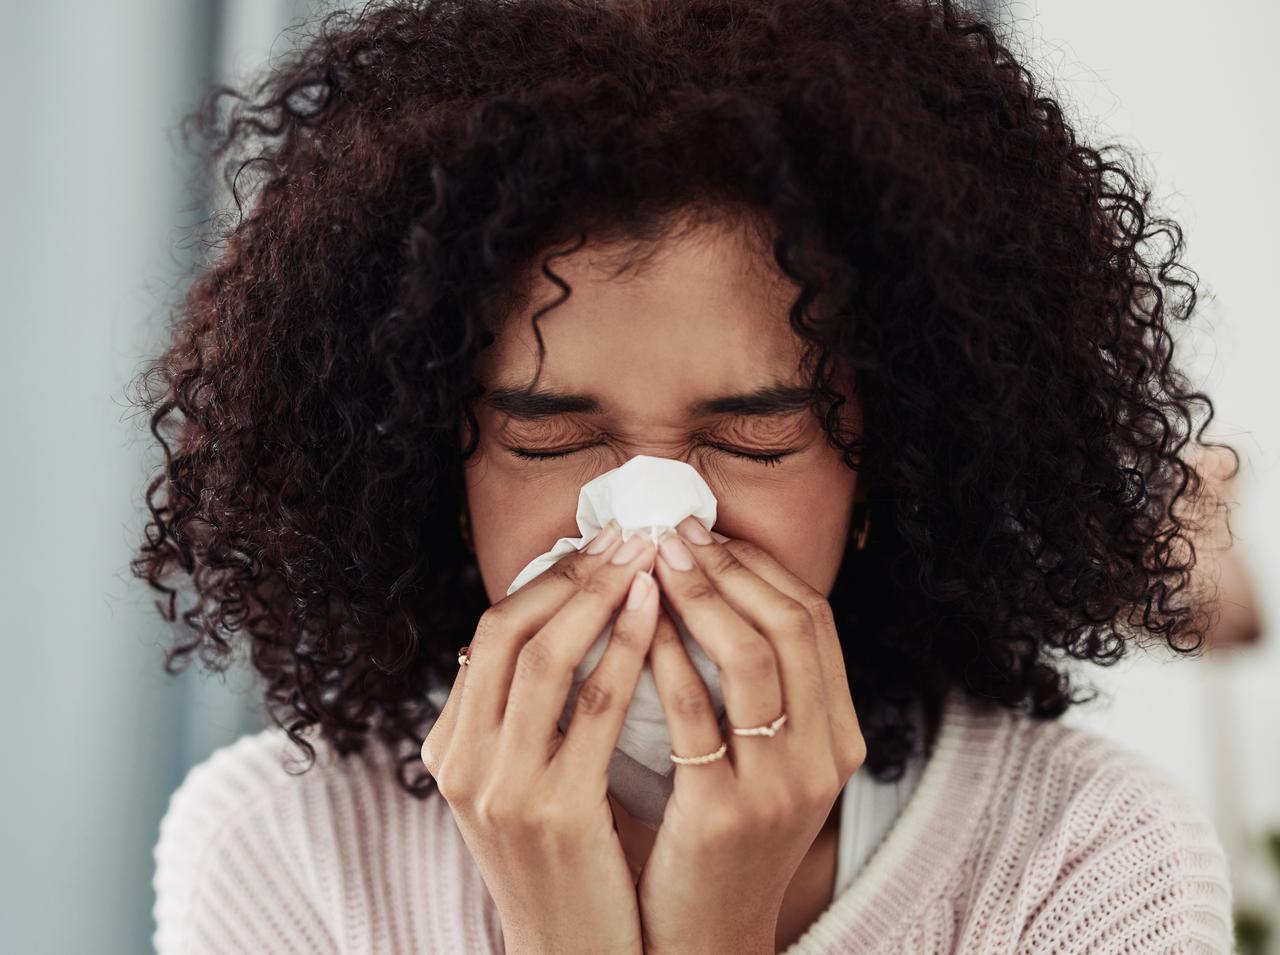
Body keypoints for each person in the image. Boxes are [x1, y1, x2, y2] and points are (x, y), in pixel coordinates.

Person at [138, 0, 1237, 951]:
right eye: (550, 437)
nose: (655, 522)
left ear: (884, 471)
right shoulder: (286, 849)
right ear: (436, 463)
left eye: (752, 437)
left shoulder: (1082, 856)